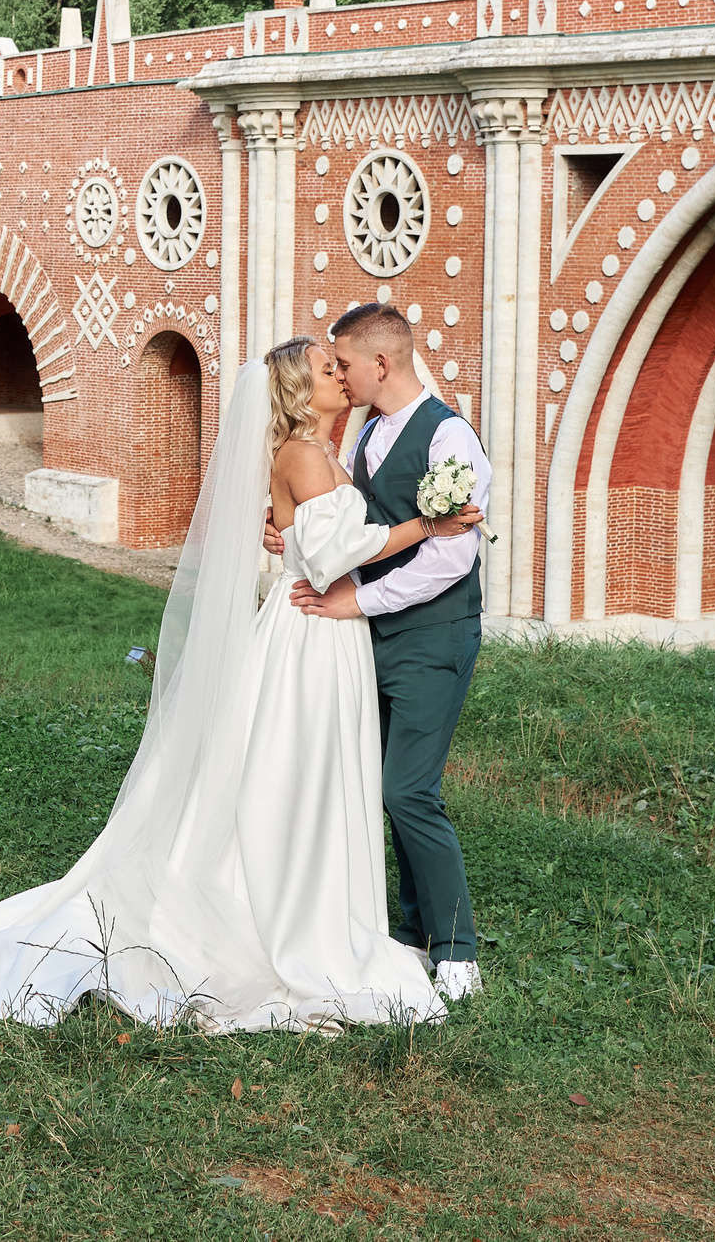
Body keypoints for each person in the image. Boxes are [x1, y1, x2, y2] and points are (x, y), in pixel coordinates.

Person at [0, 337, 482, 1032]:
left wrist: (289, 532)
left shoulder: (326, 451)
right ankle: (292, 909)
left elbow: (313, 535)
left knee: (320, 774)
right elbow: (329, 557)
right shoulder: (301, 453)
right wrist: (425, 524)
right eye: (328, 370)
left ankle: (328, 904)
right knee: (299, 772)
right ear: (299, 391)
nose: (340, 378)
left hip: (333, 633)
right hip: (315, 632)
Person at [279, 303, 494, 1001]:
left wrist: (355, 601)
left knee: (408, 788)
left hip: (433, 634)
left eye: (342, 362)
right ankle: (407, 929)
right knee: (374, 783)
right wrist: (296, 539)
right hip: (367, 637)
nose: (337, 373)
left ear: (382, 363)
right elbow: (355, 527)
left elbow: (451, 558)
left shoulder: (450, 437)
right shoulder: (367, 433)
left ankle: (457, 948)